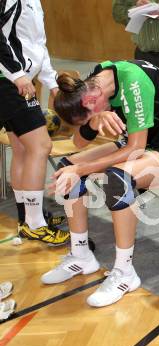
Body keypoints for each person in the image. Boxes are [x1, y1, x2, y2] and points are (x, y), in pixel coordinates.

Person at [41, 59, 159, 308]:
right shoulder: (96, 80)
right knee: (66, 168)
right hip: (142, 144)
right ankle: (81, 254)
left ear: (92, 100)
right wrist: (94, 122)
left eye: (89, 116)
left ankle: (125, 272)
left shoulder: (134, 83)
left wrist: (82, 169)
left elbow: (135, 148)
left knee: (118, 179)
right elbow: (79, 143)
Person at [0, 0, 70, 245]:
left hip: (18, 80)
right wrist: (18, 75)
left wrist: (51, 83)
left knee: (22, 149)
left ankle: (27, 218)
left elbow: (37, 44)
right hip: (9, 82)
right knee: (40, 147)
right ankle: (34, 223)